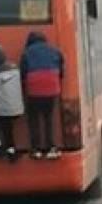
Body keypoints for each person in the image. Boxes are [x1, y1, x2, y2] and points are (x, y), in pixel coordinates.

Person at [20, 32, 64, 160]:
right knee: (48, 118)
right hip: (52, 86)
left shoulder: (26, 53)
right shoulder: (55, 50)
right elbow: (61, 71)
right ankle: (51, 147)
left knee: (33, 119)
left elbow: (23, 72)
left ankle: (36, 149)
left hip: (34, 88)